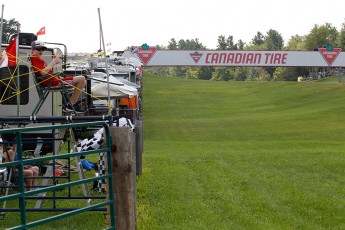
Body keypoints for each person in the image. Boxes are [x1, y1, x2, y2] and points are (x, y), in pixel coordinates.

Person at [30, 40, 86, 112]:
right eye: (38, 49)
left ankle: (70, 104)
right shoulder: (34, 58)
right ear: (32, 49)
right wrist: (54, 62)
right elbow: (43, 73)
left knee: (84, 82)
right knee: (82, 79)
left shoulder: (39, 60)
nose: (41, 51)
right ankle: (71, 105)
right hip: (52, 83)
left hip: (54, 81)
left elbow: (47, 74)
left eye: (42, 49)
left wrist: (61, 79)